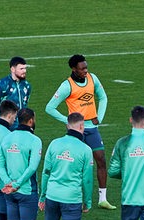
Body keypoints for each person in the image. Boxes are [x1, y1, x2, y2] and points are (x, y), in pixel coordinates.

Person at [46, 54, 115, 210]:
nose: (86, 70)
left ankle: (102, 199)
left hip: (92, 129)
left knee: (101, 160)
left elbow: (103, 97)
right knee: (76, 165)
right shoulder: (67, 86)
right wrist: (69, 121)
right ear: (73, 69)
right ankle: (77, 199)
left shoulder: (92, 78)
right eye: (82, 68)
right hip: (76, 132)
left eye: (86, 67)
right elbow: (50, 107)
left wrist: (100, 117)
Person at [37, 112, 93, 220]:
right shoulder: (85, 150)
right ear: (81, 127)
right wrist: (88, 201)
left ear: (67, 125)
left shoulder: (54, 144)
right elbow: (87, 179)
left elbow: (46, 172)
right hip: (72, 198)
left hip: (53, 195)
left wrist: (42, 195)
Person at [0, 56, 31, 129]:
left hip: (21, 127)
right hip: (6, 127)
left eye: (25, 68)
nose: (24, 71)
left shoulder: (26, 85)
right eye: (21, 69)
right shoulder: (1, 84)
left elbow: (25, 105)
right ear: (13, 69)